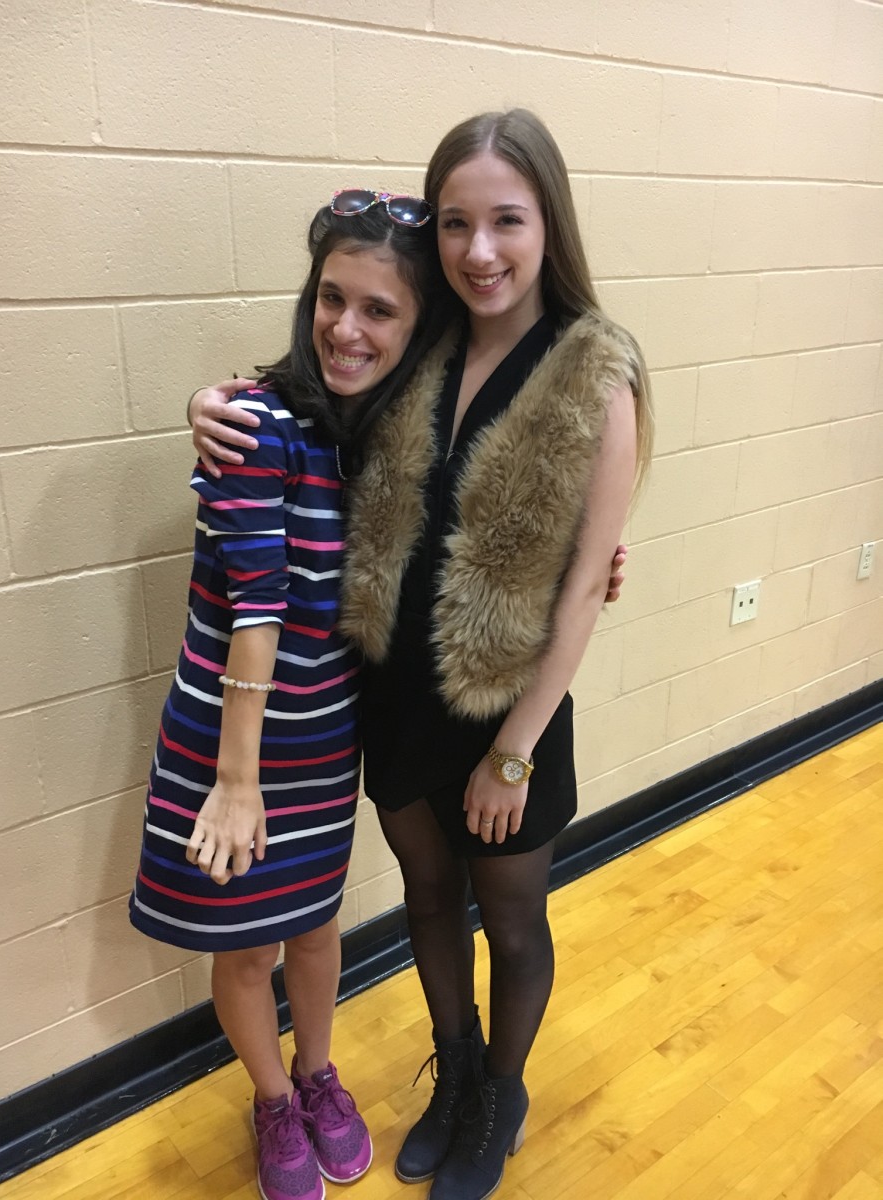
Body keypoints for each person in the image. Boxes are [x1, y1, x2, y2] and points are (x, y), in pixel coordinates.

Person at [190, 109, 652, 1200]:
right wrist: (209, 405)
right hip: (393, 696)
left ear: (549, 223)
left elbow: (583, 587)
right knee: (429, 902)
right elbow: (313, 398)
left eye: (507, 221)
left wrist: (515, 753)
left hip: (508, 715)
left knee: (513, 921)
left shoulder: (596, 372)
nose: (478, 249)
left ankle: (500, 1095)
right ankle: (454, 1077)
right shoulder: (424, 345)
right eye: (455, 223)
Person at [130, 191, 449, 1200]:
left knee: (313, 927)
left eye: (379, 309)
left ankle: (317, 1074)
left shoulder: (392, 443)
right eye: (331, 298)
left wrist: (585, 557)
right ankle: (271, 1098)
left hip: (322, 742)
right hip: (233, 740)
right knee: (247, 945)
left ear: (418, 326)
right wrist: (236, 783)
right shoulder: (255, 426)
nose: (346, 328)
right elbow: (255, 610)